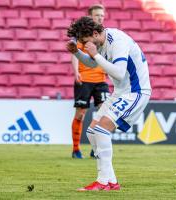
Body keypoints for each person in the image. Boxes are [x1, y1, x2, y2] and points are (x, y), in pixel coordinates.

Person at [66, 16, 151, 191]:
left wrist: (94, 53)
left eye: (85, 41)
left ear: (95, 33)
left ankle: (102, 181)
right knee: (91, 132)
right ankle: (111, 181)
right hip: (120, 93)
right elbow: (92, 62)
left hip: (135, 92)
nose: (84, 44)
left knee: (101, 129)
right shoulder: (101, 42)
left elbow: (119, 73)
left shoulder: (118, 41)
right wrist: (76, 52)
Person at [70, 4, 109, 159]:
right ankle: (76, 149)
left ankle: (96, 148)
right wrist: (76, 72)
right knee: (80, 114)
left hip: (101, 79)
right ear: (90, 16)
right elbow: (74, 53)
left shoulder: (104, 35)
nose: (100, 17)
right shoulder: (82, 34)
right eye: (97, 15)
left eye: (102, 15)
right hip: (84, 79)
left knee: (104, 112)